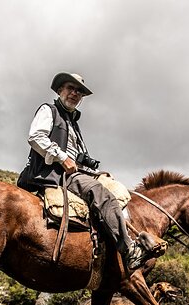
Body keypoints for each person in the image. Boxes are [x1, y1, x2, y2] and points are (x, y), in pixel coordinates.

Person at [17, 72, 160, 271]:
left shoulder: (72, 122)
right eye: (70, 88)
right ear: (60, 90)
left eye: (79, 92)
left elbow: (76, 157)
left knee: (113, 186)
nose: (75, 93)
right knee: (102, 194)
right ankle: (128, 251)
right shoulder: (48, 110)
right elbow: (36, 136)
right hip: (57, 173)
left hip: (73, 171)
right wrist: (62, 157)